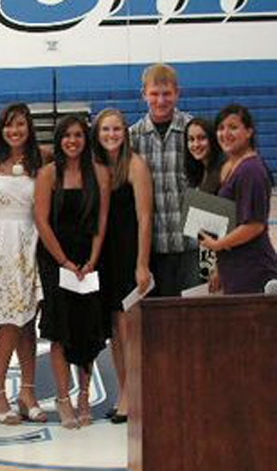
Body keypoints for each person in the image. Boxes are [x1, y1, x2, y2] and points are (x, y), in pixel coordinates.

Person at [34, 115, 110, 428]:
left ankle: (84, 396)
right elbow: (41, 221)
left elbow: (101, 222)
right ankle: (63, 398)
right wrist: (64, 261)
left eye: (79, 135)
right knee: (59, 331)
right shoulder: (49, 173)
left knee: (87, 329)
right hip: (56, 260)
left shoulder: (100, 174)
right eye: (67, 135)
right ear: (59, 139)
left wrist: (92, 259)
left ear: (86, 138)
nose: (73, 141)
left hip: (88, 261)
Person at [0, 103, 45, 425]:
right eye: (8, 125)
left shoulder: (42, 157)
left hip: (31, 239)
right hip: (0, 244)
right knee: (9, 320)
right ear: (0, 128)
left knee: (28, 320)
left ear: (29, 127)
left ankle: (28, 392)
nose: (14, 131)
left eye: (20, 124)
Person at [92, 108, 153, 424]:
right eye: (106, 130)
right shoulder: (98, 166)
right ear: (97, 134)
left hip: (129, 255)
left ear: (125, 133)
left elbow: (145, 218)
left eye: (117, 129)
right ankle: (123, 392)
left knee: (129, 329)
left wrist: (142, 264)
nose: (112, 135)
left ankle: (133, 396)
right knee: (115, 330)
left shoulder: (135, 164)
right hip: (106, 257)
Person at [130, 63, 199, 296]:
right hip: (153, 251)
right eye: (154, 94)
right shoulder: (133, 138)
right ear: (144, 95)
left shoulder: (195, 133)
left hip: (192, 248)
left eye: (167, 94)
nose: (161, 100)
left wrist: (212, 261)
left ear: (177, 93)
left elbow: (209, 192)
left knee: (195, 319)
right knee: (159, 323)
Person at [199, 104, 277, 294]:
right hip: (234, 268)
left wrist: (218, 245)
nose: (226, 133)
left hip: (253, 270)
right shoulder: (232, 167)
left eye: (233, 127)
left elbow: (254, 225)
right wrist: (219, 266)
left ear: (249, 131)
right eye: (221, 128)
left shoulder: (251, 170)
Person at [184, 117, 225, 281]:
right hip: (207, 258)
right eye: (191, 139)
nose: (195, 144)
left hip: (223, 262)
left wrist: (220, 268)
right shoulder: (201, 172)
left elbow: (228, 227)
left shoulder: (222, 171)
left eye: (201, 138)